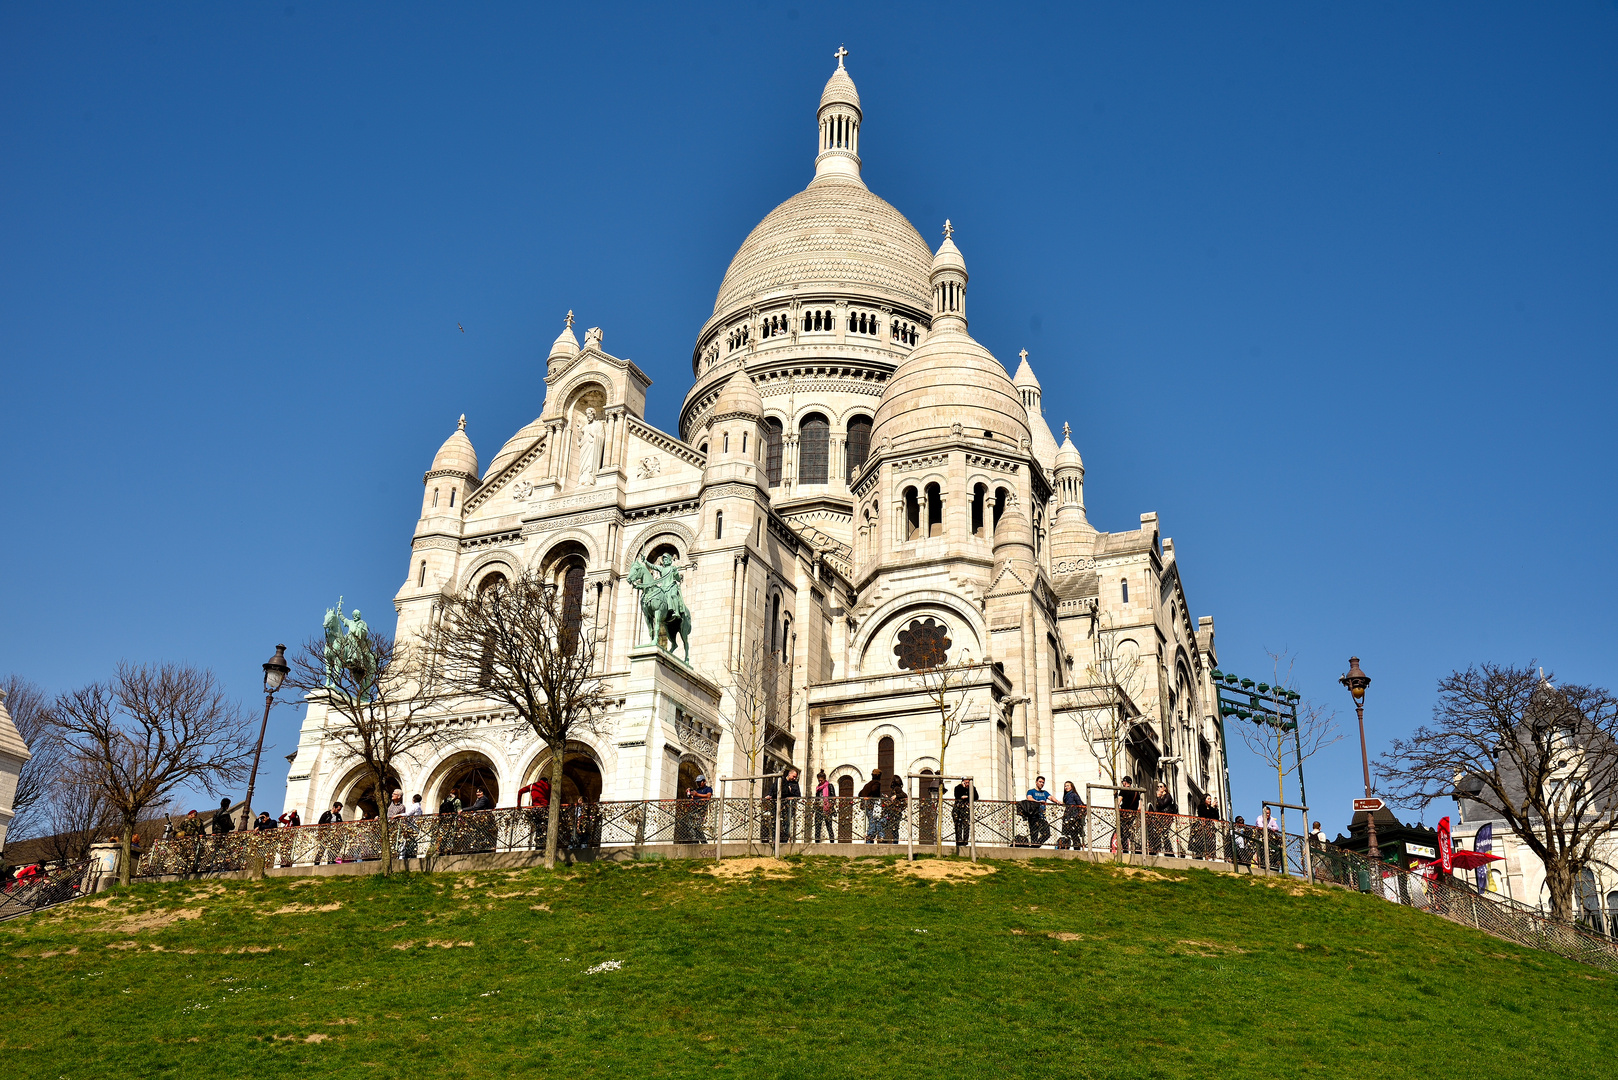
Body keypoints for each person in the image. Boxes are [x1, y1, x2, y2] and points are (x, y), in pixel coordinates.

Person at [519, 777, 551, 850]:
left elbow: (520, 791)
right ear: (546, 781)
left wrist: (519, 805)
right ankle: (544, 845)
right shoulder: (549, 786)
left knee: (537, 826)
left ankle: (537, 844)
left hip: (535, 810)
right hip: (545, 809)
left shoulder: (533, 786)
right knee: (545, 827)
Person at [1024, 777, 1056, 847]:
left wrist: (1057, 801)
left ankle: (1035, 847)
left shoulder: (1045, 793)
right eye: (1040, 782)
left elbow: (1051, 797)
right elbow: (1029, 798)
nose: (1041, 783)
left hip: (1042, 816)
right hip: (1033, 816)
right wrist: (1039, 802)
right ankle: (1034, 849)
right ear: (1036, 782)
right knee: (1034, 834)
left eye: (1043, 782)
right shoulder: (1031, 791)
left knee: (1046, 834)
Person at [1149, 782, 1179, 856]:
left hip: (1166, 818)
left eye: (1161, 786)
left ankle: (1169, 852)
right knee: (1157, 833)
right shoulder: (1161, 797)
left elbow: (1163, 805)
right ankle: (1156, 850)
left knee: (1165, 834)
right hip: (1160, 818)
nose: (1159, 788)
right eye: (1158, 787)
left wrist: (1158, 797)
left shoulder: (1168, 796)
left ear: (1165, 788)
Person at [952, 779, 980, 852]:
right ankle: (959, 841)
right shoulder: (958, 788)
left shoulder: (972, 788)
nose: (967, 784)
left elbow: (976, 797)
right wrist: (963, 789)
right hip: (958, 808)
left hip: (966, 809)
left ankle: (965, 841)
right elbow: (957, 795)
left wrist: (967, 797)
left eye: (968, 783)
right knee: (958, 825)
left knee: (966, 825)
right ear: (963, 782)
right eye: (966, 783)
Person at [1117, 777, 1142, 854]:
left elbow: (1118, 801)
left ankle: (1125, 850)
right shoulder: (1136, 791)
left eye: (1123, 782)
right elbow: (1140, 806)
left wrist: (1117, 810)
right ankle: (1133, 849)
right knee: (1131, 833)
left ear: (1125, 782)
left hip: (1124, 814)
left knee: (1123, 833)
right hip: (1133, 815)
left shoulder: (1123, 790)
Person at [859, 770, 884, 843]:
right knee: (873, 822)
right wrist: (875, 797)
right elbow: (875, 790)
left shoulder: (868, 784)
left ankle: (870, 839)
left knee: (872, 822)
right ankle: (869, 840)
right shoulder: (876, 783)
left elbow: (860, 793)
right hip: (872, 805)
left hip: (866, 805)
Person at [1060, 781, 1086, 850]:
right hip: (1068, 816)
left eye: (1068, 786)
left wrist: (1078, 815)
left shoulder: (1074, 794)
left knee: (1074, 833)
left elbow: (1080, 804)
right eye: (1065, 786)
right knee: (1069, 833)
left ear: (1071, 787)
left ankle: (1077, 848)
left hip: (1074, 816)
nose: (1066, 787)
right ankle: (1071, 847)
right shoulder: (1066, 796)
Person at [881, 776, 907, 843]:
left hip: (895, 811)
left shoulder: (897, 788)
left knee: (894, 827)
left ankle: (895, 842)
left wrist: (896, 796)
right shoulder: (896, 789)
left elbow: (904, 795)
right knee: (894, 827)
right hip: (895, 810)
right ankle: (894, 841)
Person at [778, 768, 802, 843]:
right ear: (789, 774)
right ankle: (776, 838)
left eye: (795, 777)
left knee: (787, 823)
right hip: (780, 805)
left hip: (789, 807)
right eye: (793, 776)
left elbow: (798, 795)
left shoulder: (795, 784)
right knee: (777, 822)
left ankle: (784, 840)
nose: (794, 778)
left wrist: (791, 793)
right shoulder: (782, 781)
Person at [688, 774, 712, 845]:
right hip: (694, 809)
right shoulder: (696, 790)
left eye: (700, 782)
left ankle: (703, 842)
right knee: (691, 825)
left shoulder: (708, 789)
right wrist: (690, 794)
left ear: (704, 782)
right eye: (697, 782)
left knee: (697, 826)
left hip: (702, 810)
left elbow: (708, 796)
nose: (698, 784)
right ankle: (695, 841)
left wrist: (697, 795)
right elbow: (692, 799)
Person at [813, 771, 836, 843]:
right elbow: (817, 798)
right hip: (819, 808)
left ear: (824, 779)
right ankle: (817, 842)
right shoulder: (818, 788)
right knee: (817, 826)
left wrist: (830, 805)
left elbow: (833, 797)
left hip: (827, 808)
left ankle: (832, 842)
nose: (820, 781)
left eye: (821, 780)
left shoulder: (829, 786)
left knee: (829, 826)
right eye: (819, 780)